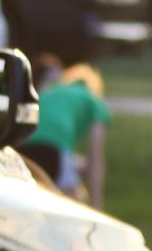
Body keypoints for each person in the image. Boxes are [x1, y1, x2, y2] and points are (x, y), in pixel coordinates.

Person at [29, 54, 112, 206]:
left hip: (23, 148)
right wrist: (97, 207)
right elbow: (95, 159)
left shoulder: (50, 92)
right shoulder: (94, 101)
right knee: (74, 205)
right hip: (53, 151)